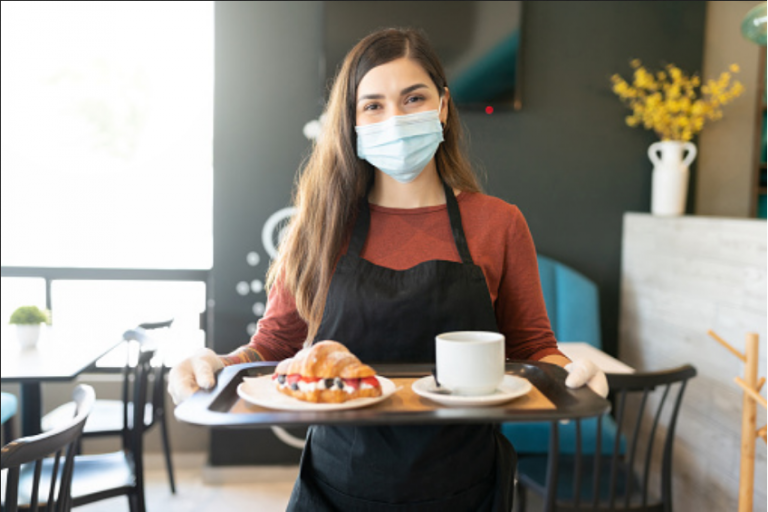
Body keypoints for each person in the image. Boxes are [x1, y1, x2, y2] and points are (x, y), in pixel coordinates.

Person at [169, 27, 608, 511]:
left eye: (413, 98)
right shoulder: (318, 227)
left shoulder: (499, 224)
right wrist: (216, 366)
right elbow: (274, 346)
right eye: (373, 105)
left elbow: (532, 350)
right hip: (338, 489)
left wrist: (573, 375)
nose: (394, 118)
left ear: (442, 106)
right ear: (352, 121)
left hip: (465, 488)